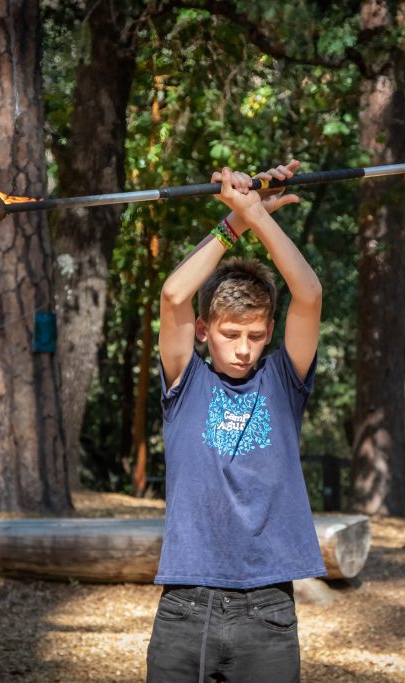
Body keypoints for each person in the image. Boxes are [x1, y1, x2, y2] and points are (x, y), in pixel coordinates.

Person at [146, 160, 324, 683]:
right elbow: (175, 295)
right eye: (230, 334)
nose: (243, 349)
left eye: (255, 334)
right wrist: (235, 223)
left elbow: (308, 294)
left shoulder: (283, 381)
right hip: (186, 605)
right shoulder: (186, 383)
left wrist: (259, 217)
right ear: (203, 330)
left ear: (270, 331)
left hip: (267, 608)